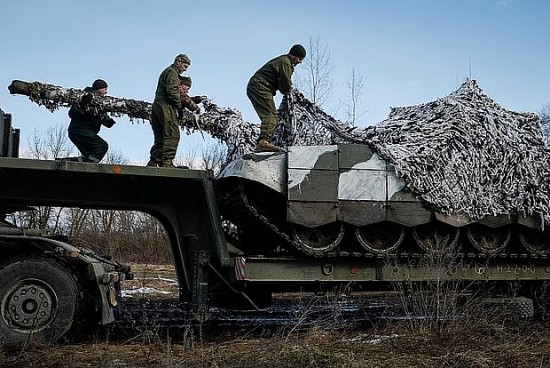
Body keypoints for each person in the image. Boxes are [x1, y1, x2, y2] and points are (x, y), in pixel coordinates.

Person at [247, 44, 306, 152]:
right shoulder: (285, 63)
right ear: (295, 56)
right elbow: (284, 84)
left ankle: (264, 141)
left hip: (258, 86)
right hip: (261, 86)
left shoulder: (284, 62)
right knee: (271, 116)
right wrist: (292, 94)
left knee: (270, 116)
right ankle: (263, 142)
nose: (300, 62)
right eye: (300, 59)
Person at [147, 54, 191, 168]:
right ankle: (167, 162)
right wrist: (179, 107)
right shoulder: (172, 72)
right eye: (185, 66)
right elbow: (173, 92)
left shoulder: (167, 72)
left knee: (160, 137)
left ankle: (154, 161)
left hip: (157, 106)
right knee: (172, 135)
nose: (185, 69)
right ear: (178, 62)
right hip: (166, 107)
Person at [66, 79, 116, 163]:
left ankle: (75, 162)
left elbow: (104, 119)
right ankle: (89, 165)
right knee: (102, 146)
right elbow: (72, 113)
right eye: (105, 89)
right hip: (79, 130)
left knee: (89, 154)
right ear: (99, 89)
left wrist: (109, 122)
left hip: (79, 132)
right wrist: (82, 104)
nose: (106, 92)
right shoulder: (84, 97)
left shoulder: (100, 105)